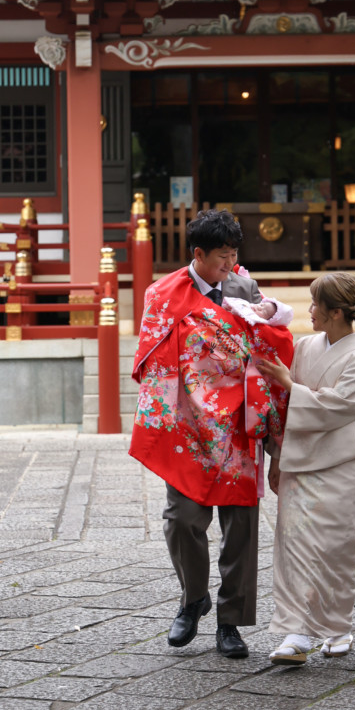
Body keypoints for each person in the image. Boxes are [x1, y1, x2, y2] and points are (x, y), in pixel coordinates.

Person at [130, 209, 293, 659]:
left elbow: (269, 345)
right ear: (197, 254)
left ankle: (231, 621)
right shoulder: (163, 294)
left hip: (239, 424)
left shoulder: (245, 289)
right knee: (182, 519)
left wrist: (272, 435)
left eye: (234, 255)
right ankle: (192, 597)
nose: (230, 265)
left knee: (239, 525)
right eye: (222, 257)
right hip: (187, 421)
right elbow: (152, 356)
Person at [255, 272, 355, 665]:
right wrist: (276, 458)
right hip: (297, 461)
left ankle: (337, 626)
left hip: (339, 464)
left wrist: (291, 385)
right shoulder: (305, 346)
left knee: (336, 548)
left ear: (336, 312)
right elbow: (283, 409)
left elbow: (341, 406)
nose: (308, 311)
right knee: (293, 546)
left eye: (314, 306)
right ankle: (295, 633)